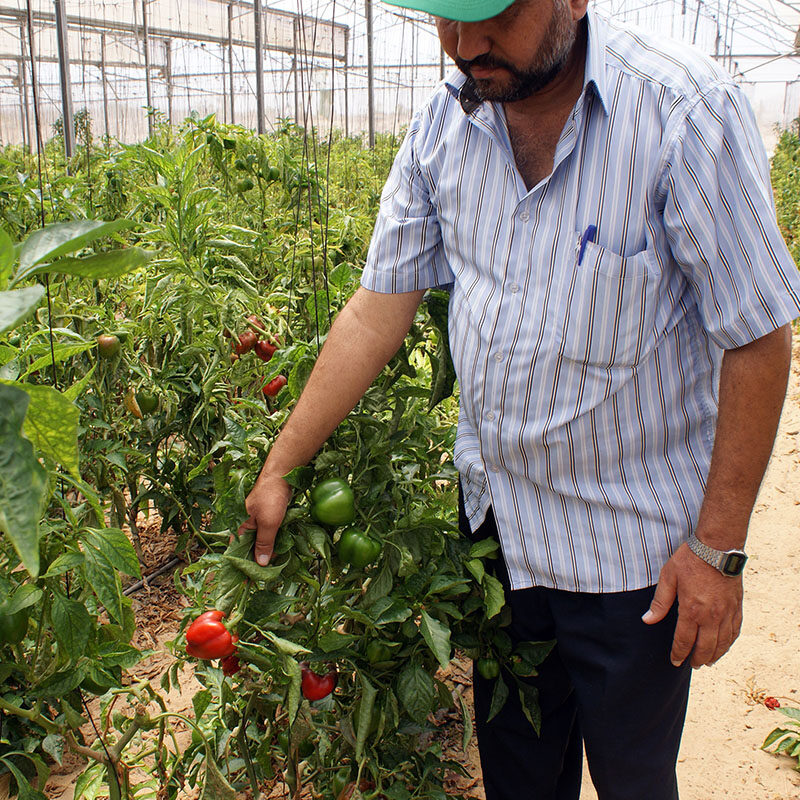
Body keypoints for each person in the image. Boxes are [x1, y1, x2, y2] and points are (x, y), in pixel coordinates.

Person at [238, 0, 800, 797]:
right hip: (498, 545)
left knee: (634, 778)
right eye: (446, 20)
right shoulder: (445, 123)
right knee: (520, 776)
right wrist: (281, 464)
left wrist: (717, 551)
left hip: (631, 560)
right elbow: (376, 307)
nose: (468, 45)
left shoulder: (682, 110)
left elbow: (758, 334)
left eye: (494, 14)